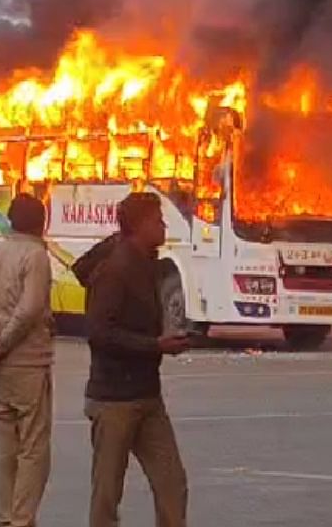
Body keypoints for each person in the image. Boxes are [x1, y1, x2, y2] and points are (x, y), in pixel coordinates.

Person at [85, 192, 191, 527]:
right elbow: (100, 333)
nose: (164, 226)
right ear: (140, 225)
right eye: (158, 220)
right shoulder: (115, 270)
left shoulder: (150, 264)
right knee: (107, 492)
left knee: (172, 483)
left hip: (147, 396)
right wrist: (154, 345)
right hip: (113, 400)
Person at [0, 194, 56, 527]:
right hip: (29, 362)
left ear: (9, 221)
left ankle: (5, 518)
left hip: (2, 368)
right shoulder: (36, 256)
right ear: (42, 222)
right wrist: (2, 344)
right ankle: (21, 520)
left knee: (6, 450)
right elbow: (30, 309)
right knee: (33, 450)